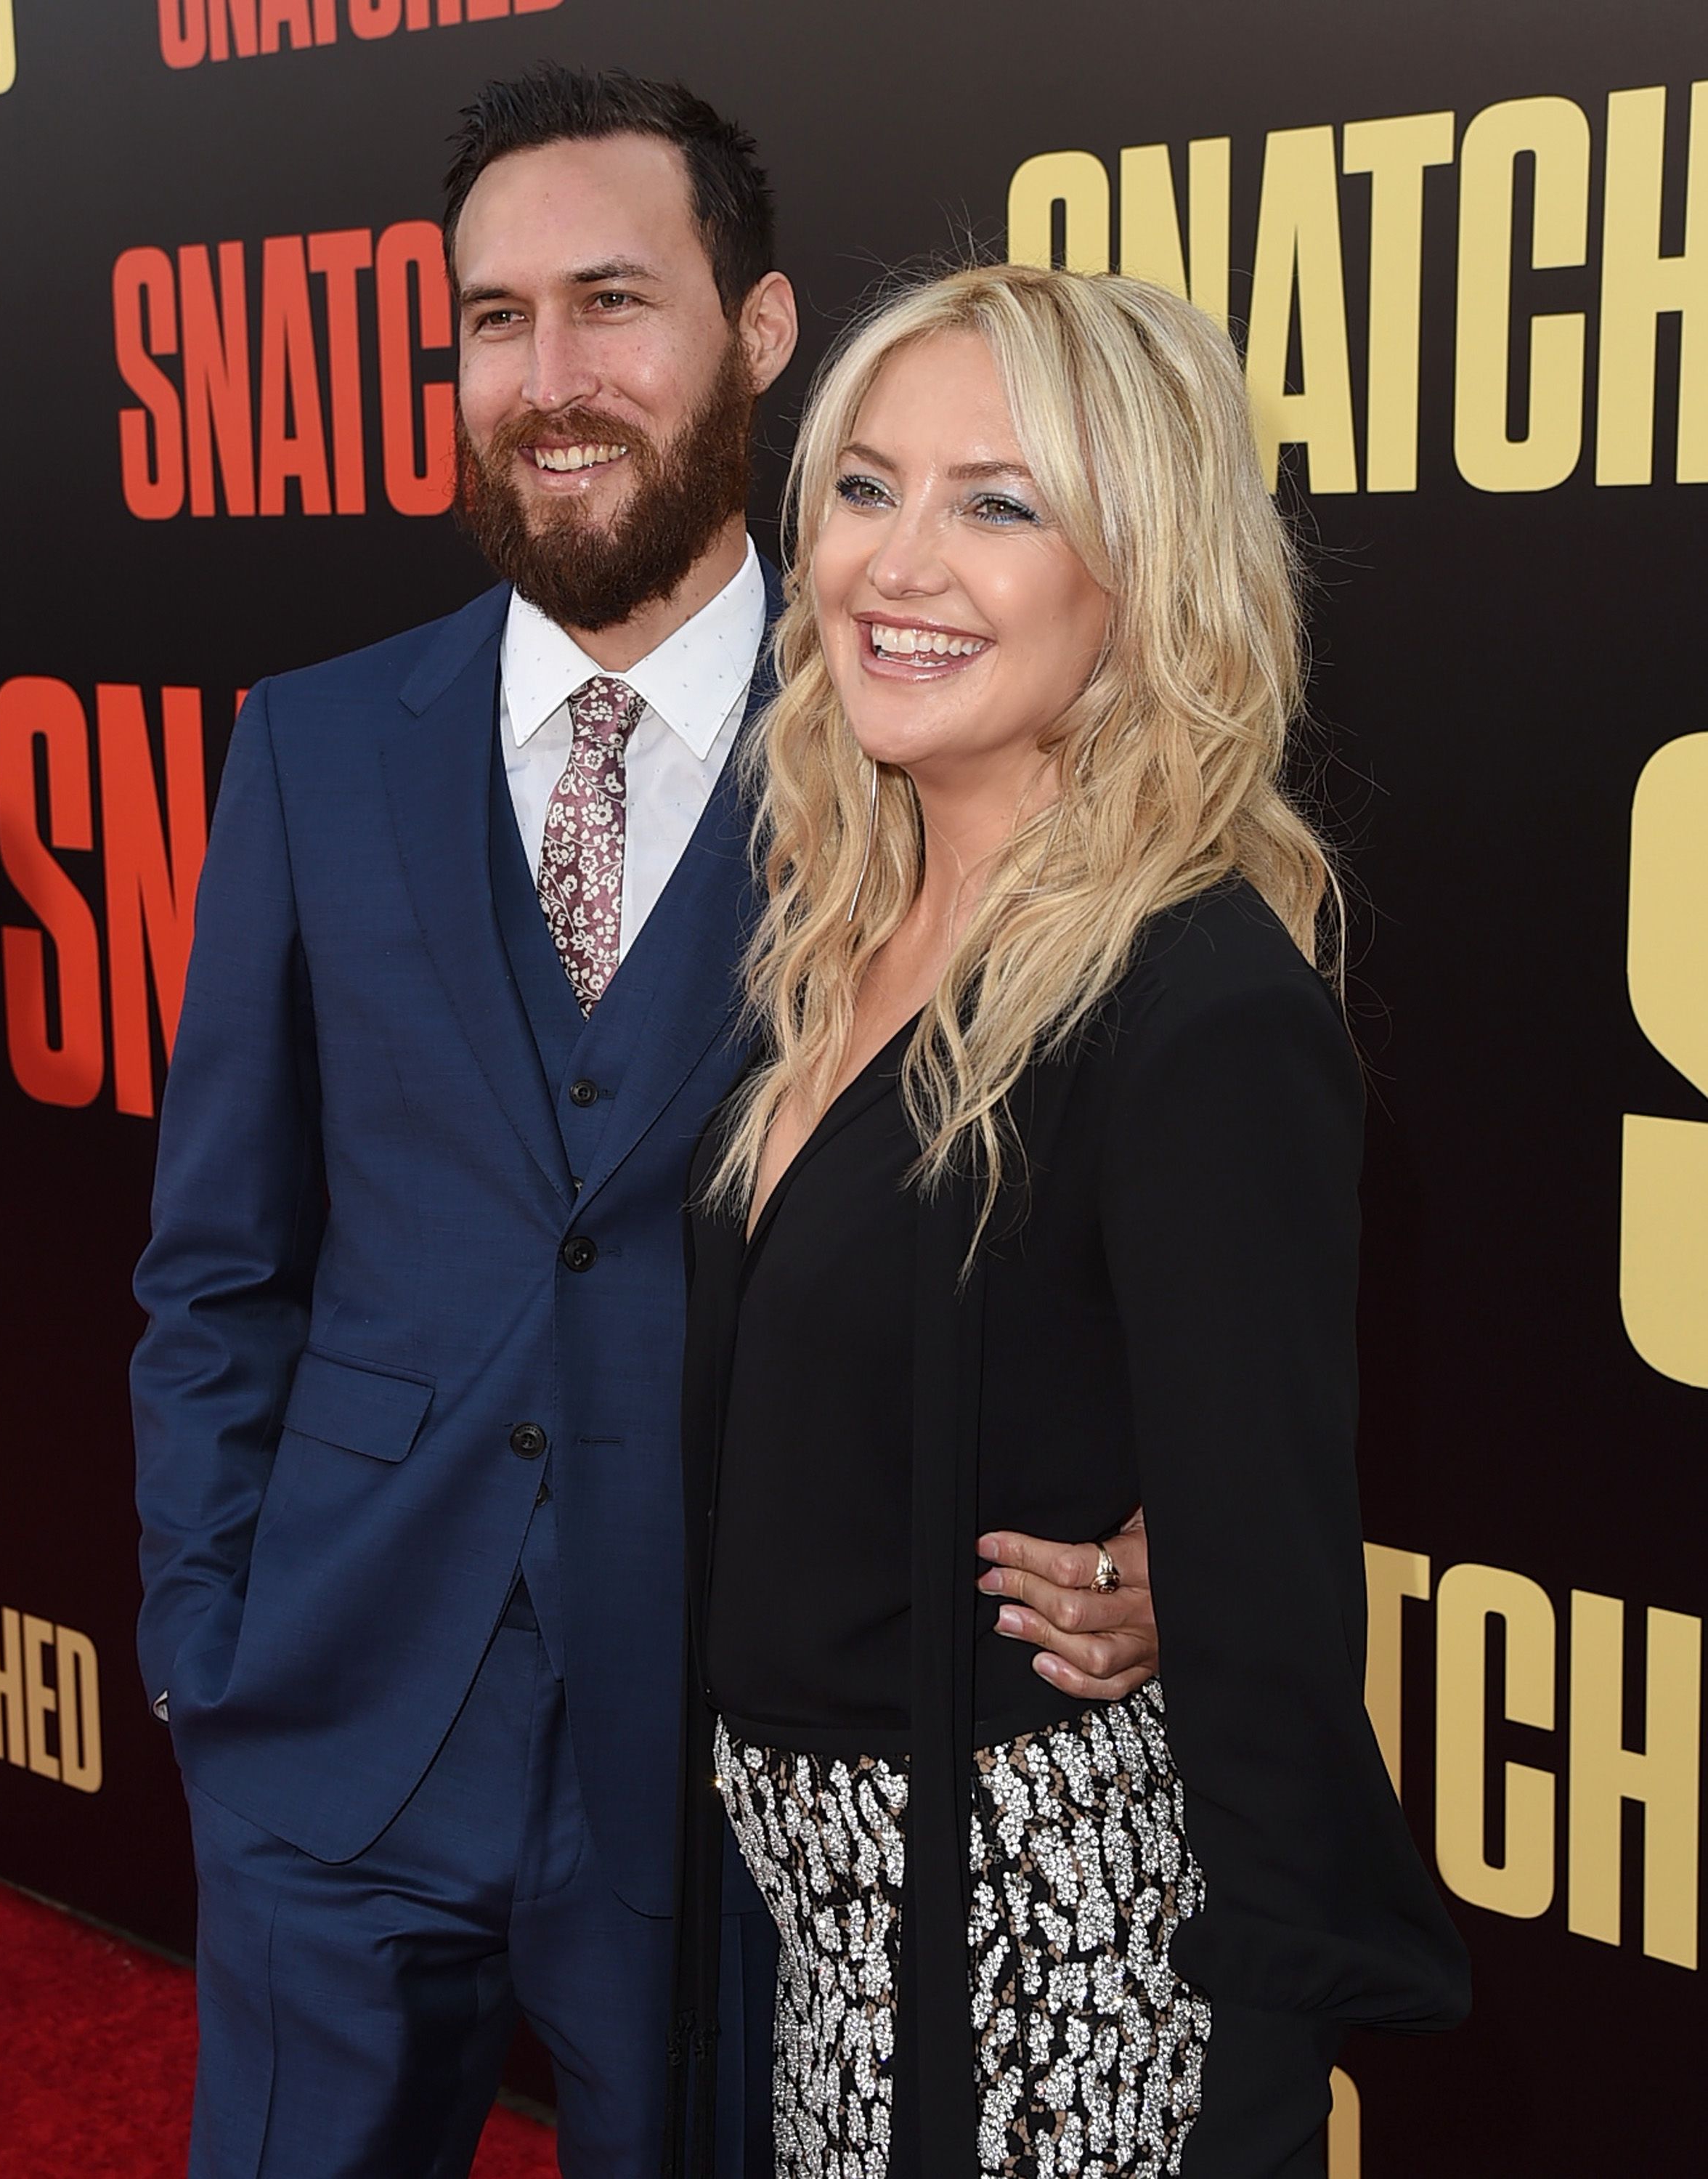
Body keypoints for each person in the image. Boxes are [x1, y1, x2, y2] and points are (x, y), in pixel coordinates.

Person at [130, 70, 1163, 2179]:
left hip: (728, 1745)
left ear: (758, 335)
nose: (550, 375)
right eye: (494, 321)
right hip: (332, 1714)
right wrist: (203, 1644)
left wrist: (1172, 1534)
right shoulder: (315, 750)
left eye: (612, 300)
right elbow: (220, 1258)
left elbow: (1106, 1201)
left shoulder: (922, 733)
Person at [673, 264, 1471, 2179]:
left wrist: (1257, 2114)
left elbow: (1274, 1633)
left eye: (1000, 504)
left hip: (1050, 1978)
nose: (898, 561)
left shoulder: (1197, 1006)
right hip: (833, 1956)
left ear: (1143, 583)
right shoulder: (836, 937)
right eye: (865, 487)